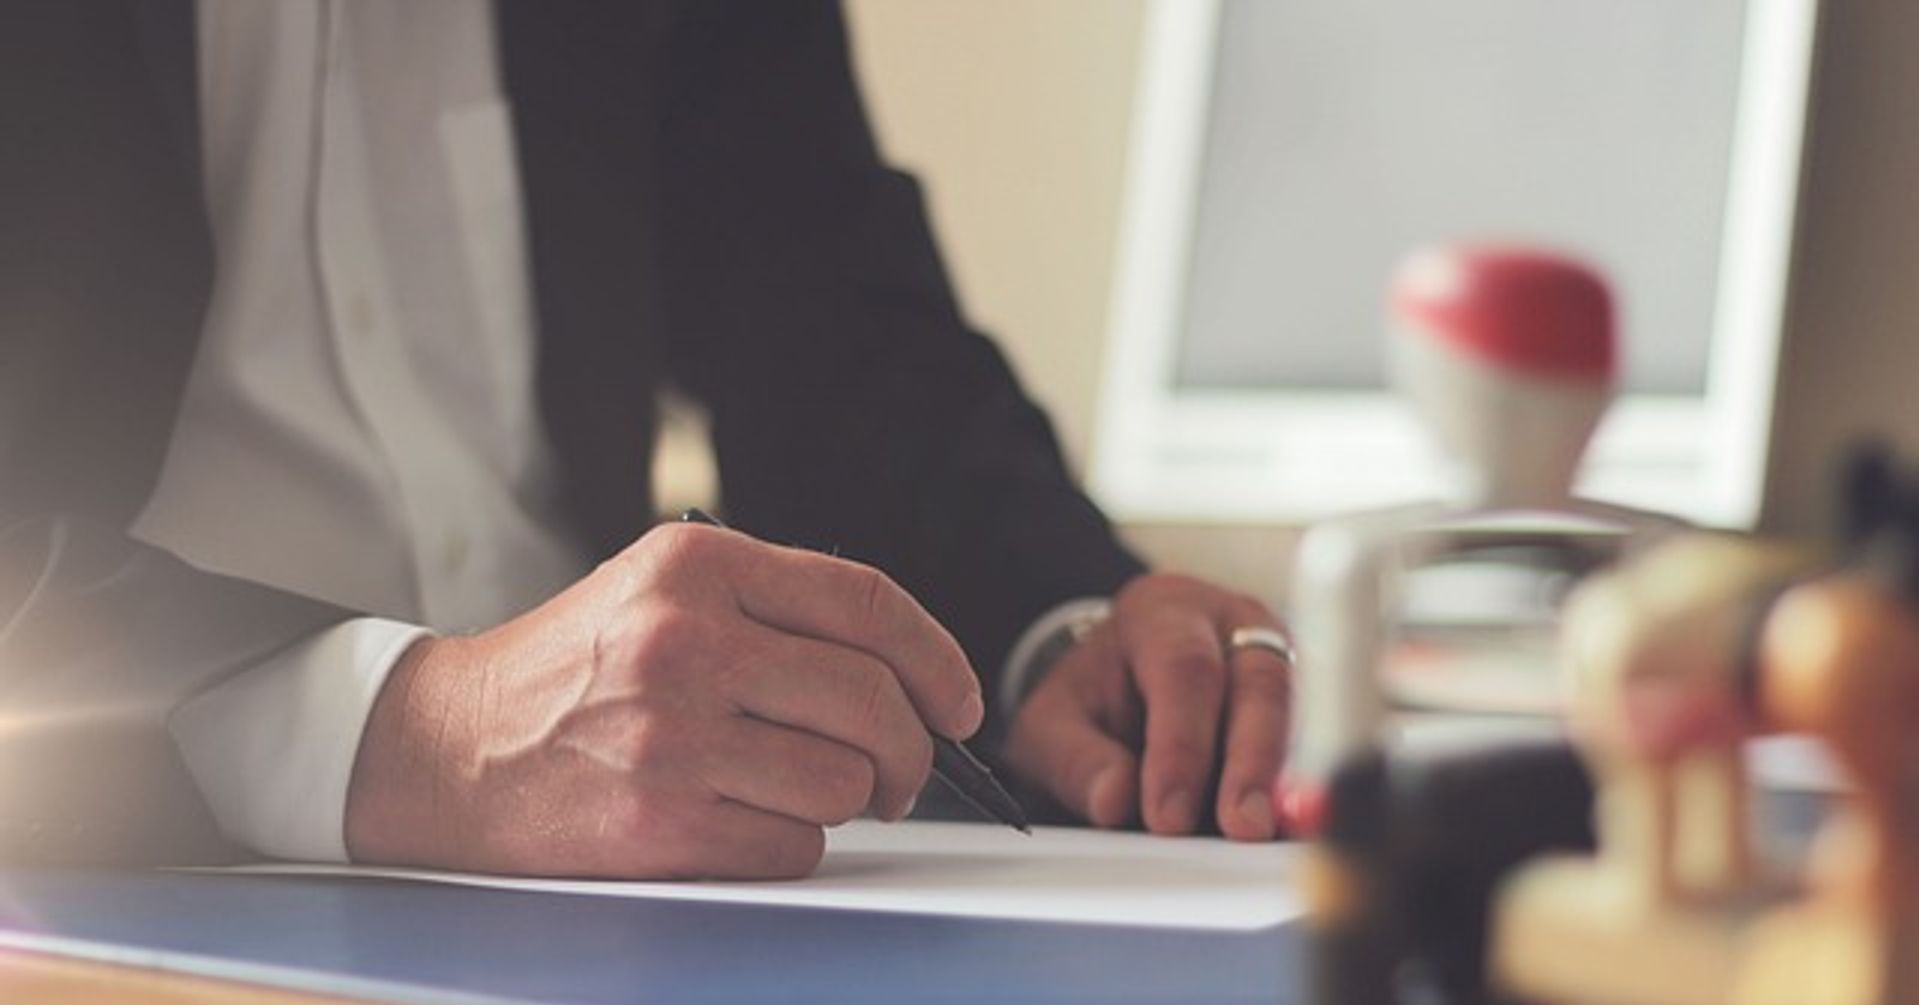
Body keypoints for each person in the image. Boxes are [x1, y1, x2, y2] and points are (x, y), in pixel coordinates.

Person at [0, 0, 1291, 878]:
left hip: (637, 886)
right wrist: (423, 735)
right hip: (99, 876)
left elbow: (834, 325)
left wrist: (1057, 631)